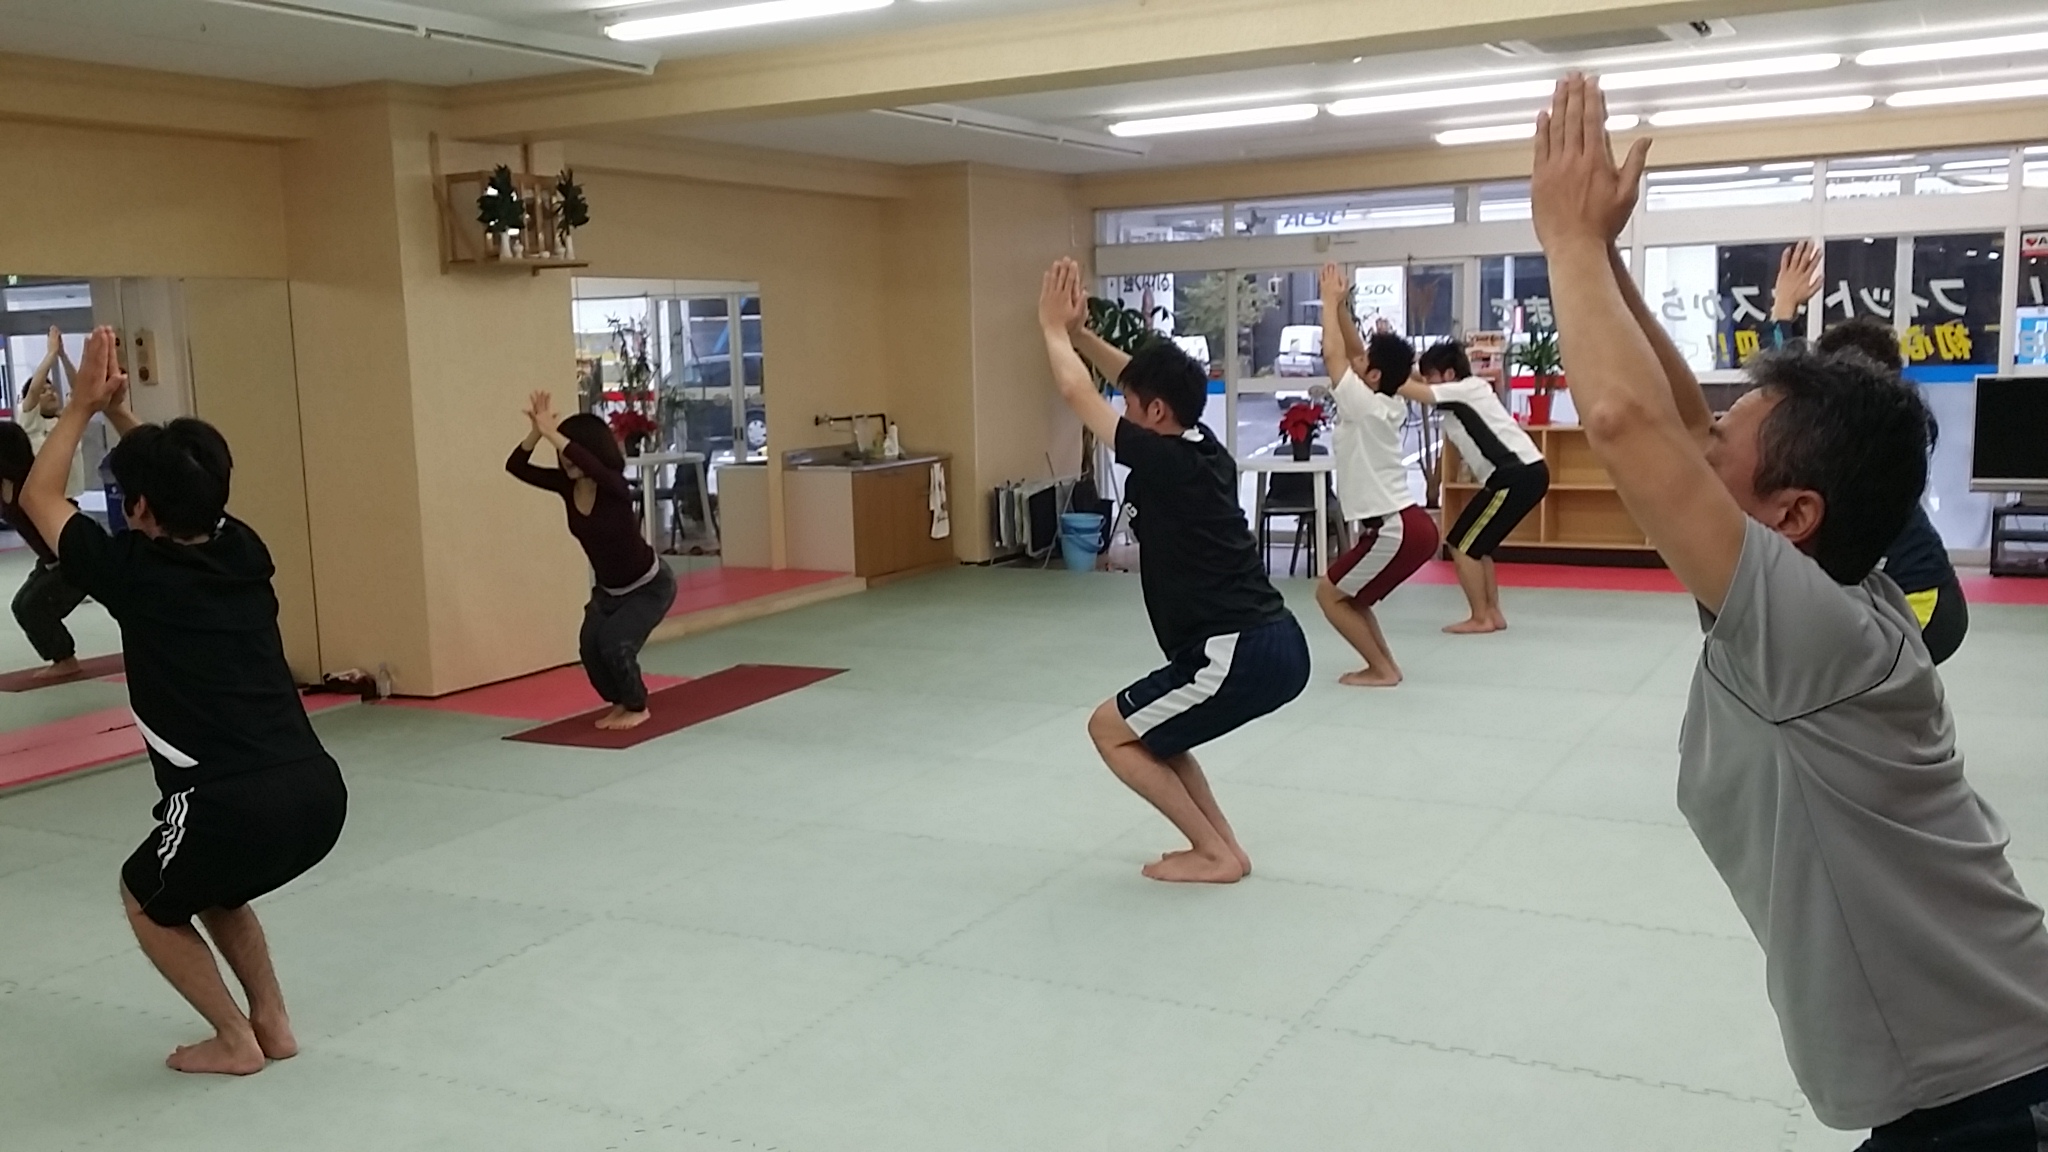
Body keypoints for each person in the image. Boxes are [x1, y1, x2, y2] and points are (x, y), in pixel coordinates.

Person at [1533, 75, 2048, 1149]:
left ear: (1792, 515)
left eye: (1720, 453)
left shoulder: (1808, 635)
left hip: (1993, 1096)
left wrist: (1565, 241)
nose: (1696, 455)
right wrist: (1609, 257)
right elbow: (1674, 424)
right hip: (1978, 1069)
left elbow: (1626, 423)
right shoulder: (1820, 595)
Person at [20, 327, 347, 1076]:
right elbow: (185, 488)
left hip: (228, 802)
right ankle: (272, 1024)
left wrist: (83, 406)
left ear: (139, 508)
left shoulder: (131, 571)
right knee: (214, 887)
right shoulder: (244, 549)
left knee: (144, 895)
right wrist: (125, 414)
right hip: (318, 790)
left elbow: (39, 495)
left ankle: (234, 1039)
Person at [1038, 257, 1308, 884]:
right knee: (1157, 734)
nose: (1123, 407)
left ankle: (1214, 854)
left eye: (1131, 405)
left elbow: (1078, 394)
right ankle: (1223, 848)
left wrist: (1051, 329)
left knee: (1109, 730)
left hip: (1237, 649)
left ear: (1156, 413)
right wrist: (1081, 334)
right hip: (1261, 642)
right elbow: (1131, 378)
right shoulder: (1200, 445)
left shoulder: (1164, 461)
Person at [1764, 243, 1969, 663]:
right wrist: (1783, 312)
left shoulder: (1872, 433)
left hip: (1921, 600)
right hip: (1906, 593)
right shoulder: (1871, 424)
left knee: (1849, 679)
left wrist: (1784, 312)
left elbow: (1792, 389)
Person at [506, 393, 677, 731]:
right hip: (608, 592)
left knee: (615, 644)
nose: (564, 459)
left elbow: (592, 465)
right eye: (561, 453)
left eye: (570, 451)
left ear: (592, 452)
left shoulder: (613, 485)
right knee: (589, 648)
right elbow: (516, 467)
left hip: (649, 587)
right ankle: (621, 701)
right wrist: (538, 433)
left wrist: (554, 433)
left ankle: (637, 706)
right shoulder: (565, 486)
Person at [1310, 262, 1436, 687]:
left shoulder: (1363, 405)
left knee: (1329, 593)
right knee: (1351, 597)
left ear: (1375, 375)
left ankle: (1382, 669)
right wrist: (1341, 307)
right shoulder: (1385, 401)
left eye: (1363, 361)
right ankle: (1384, 665)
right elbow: (1351, 348)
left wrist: (1327, 302)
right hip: (1406, 525)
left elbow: (1333, 355)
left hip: (1395, 528)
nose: (1356, 360)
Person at [1397, 338, 1549, 633]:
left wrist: (1382, 371)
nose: (1427, 381)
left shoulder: (1461, 391)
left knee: (1461, 544)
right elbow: (1418, 382)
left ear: (1449, 374)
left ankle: (1481, 617)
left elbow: (1417, 390)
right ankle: (1492, 614)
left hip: (1514, 475)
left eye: (1431, 376)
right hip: (1525, 472)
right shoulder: (1469, 388)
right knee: (1478, 546)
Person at [0, 423, 89, 678]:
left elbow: (66, 510)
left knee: (32, 607)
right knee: (21, 605)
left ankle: (66, 661)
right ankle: (62, 657)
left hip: (74, 556)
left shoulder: (34, 483)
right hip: (51, 560)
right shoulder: (4, 483)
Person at [17, 326, 89, 499]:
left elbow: (79, 389)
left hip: (69, 497)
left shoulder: (66, 420)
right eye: (44, 391)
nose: (50, 393)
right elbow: (33, 391)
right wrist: (50, 354)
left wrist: (62, 355)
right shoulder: (29, 423)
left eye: (52, 389)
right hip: (42, 498)